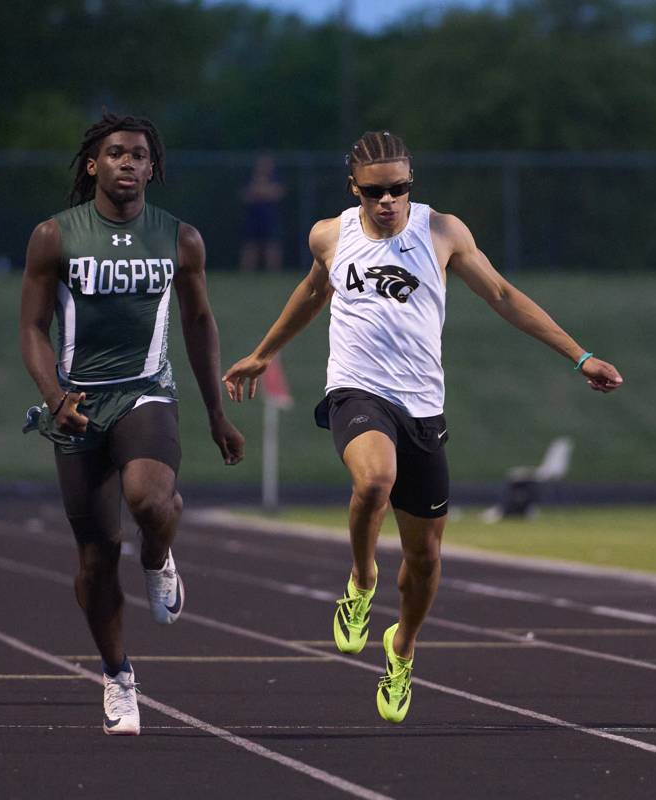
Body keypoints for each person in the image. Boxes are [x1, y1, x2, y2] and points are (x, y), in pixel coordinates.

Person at [223, 130, 623, 723]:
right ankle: (361, 580)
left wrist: (580, 355)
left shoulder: (441, 232)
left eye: (400, 189)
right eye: (376, 191)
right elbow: (312, 293)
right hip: (357, 390)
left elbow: (505, 296)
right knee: (374, 481)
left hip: (423, 406)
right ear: (353, 189)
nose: (388, 201)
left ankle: (402, 647)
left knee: (427, 557)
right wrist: (262, 353)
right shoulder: (331, 235)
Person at [19, 112, 245, 735]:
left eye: (139, 155)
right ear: (93, 164)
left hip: (148, 391)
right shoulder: (53, 237)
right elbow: (31, 328)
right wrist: (54, 395)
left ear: (153, 167)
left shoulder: (181, 239)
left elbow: (199, 325)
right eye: (115, 152)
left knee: (149, 499)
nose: (127, 162)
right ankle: (118, 675)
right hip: (80, 405)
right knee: (95, 561)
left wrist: (216, 413)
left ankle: (159, 556)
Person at [239, 152, 286, 272]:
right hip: (252, 217)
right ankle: (246, 274)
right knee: (250, 246)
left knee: (272, 245)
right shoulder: (249, 177)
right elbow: (246, 196)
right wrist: (264, 192)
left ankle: (273, 274)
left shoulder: (275, 177)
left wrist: (259, 192)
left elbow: (277, 194)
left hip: (270, 217)